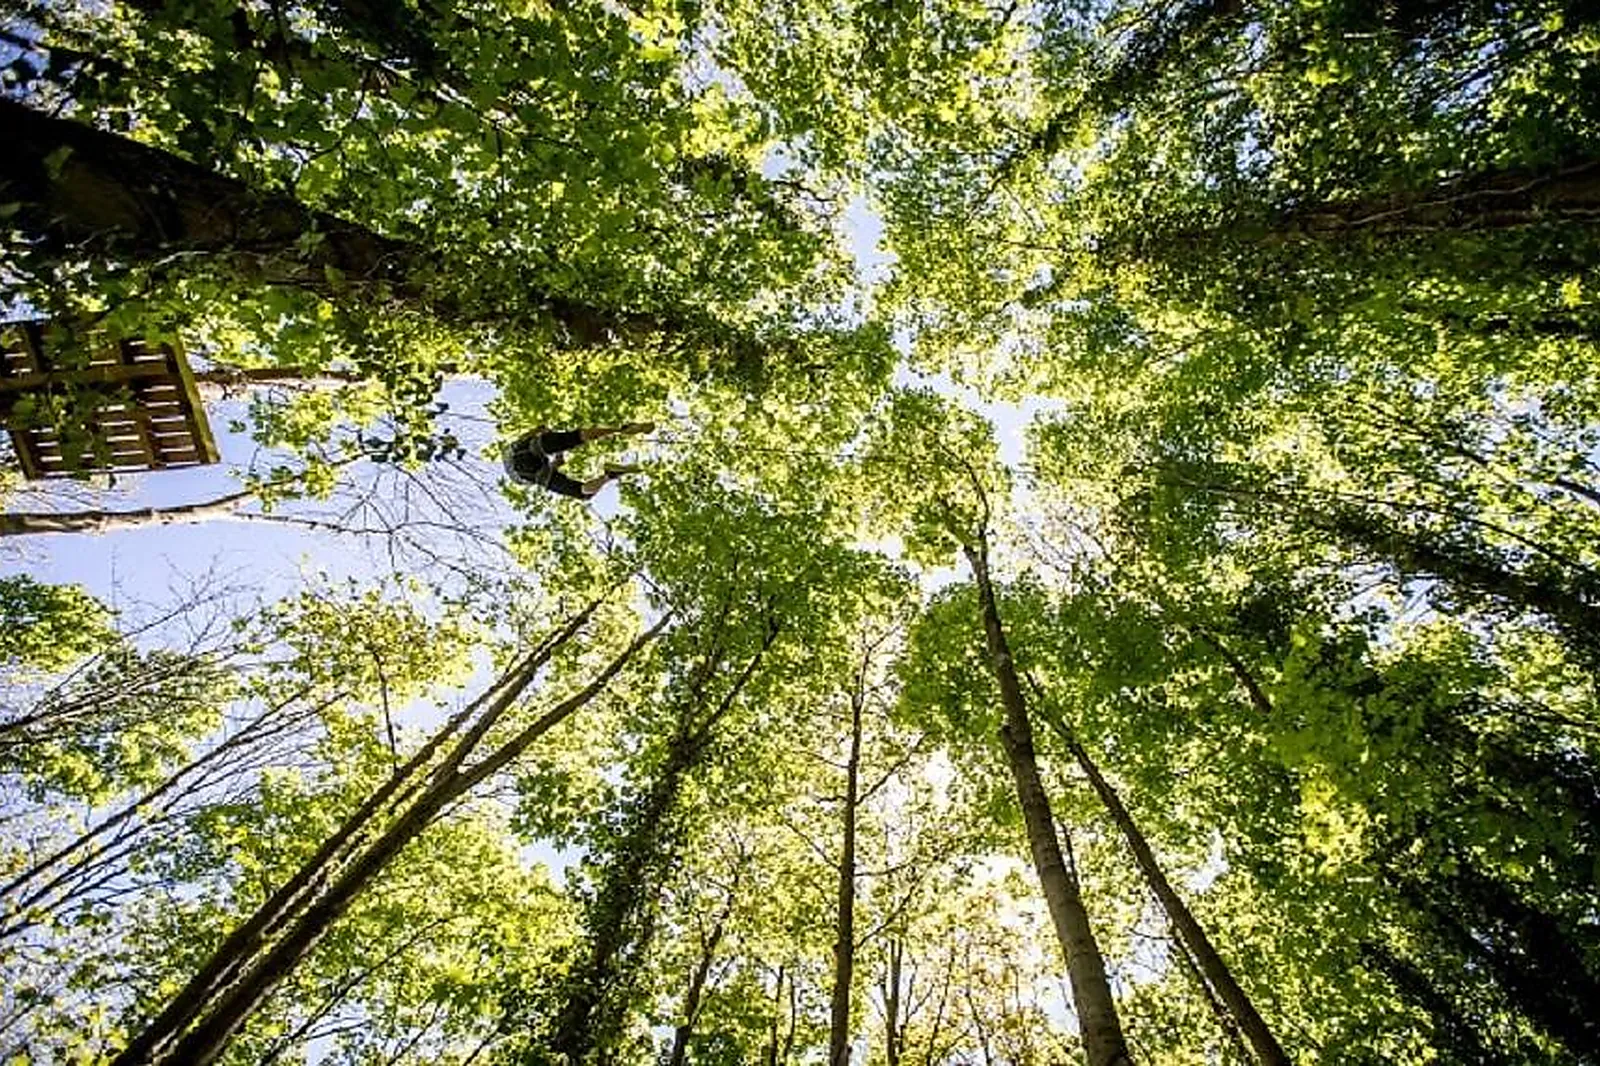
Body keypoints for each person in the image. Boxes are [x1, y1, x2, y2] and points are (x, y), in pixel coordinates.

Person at [502, 422, 654, 499]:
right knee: (576, 436)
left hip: (530, 474)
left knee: (581, 493)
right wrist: (545, 432)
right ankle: (620, 429)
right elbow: (536, 432)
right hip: (525, 448)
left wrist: (558, 459)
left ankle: (610, 475)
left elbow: (549, 470)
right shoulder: (509, 451)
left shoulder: (520, 478)